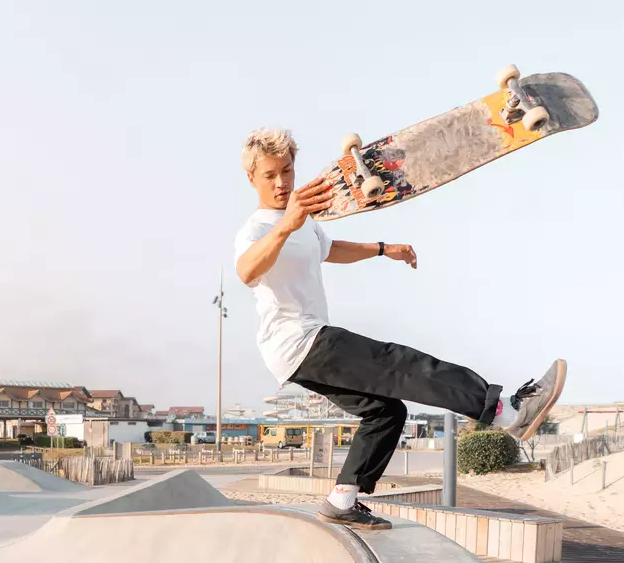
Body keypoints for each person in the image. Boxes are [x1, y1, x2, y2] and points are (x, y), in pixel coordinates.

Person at [233, 127, 566, 530]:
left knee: (386, 412)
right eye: (270, 175)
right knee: (400, 364)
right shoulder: (256, 229)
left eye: (287, 171)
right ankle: (504, 411)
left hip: (301, 348)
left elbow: (329, 249)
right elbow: (247, 270)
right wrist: (285, 224)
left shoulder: (306, 222)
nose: (282, 182)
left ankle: (342, 499)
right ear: (252, 178)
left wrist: (382, 248)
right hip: (298, 341)